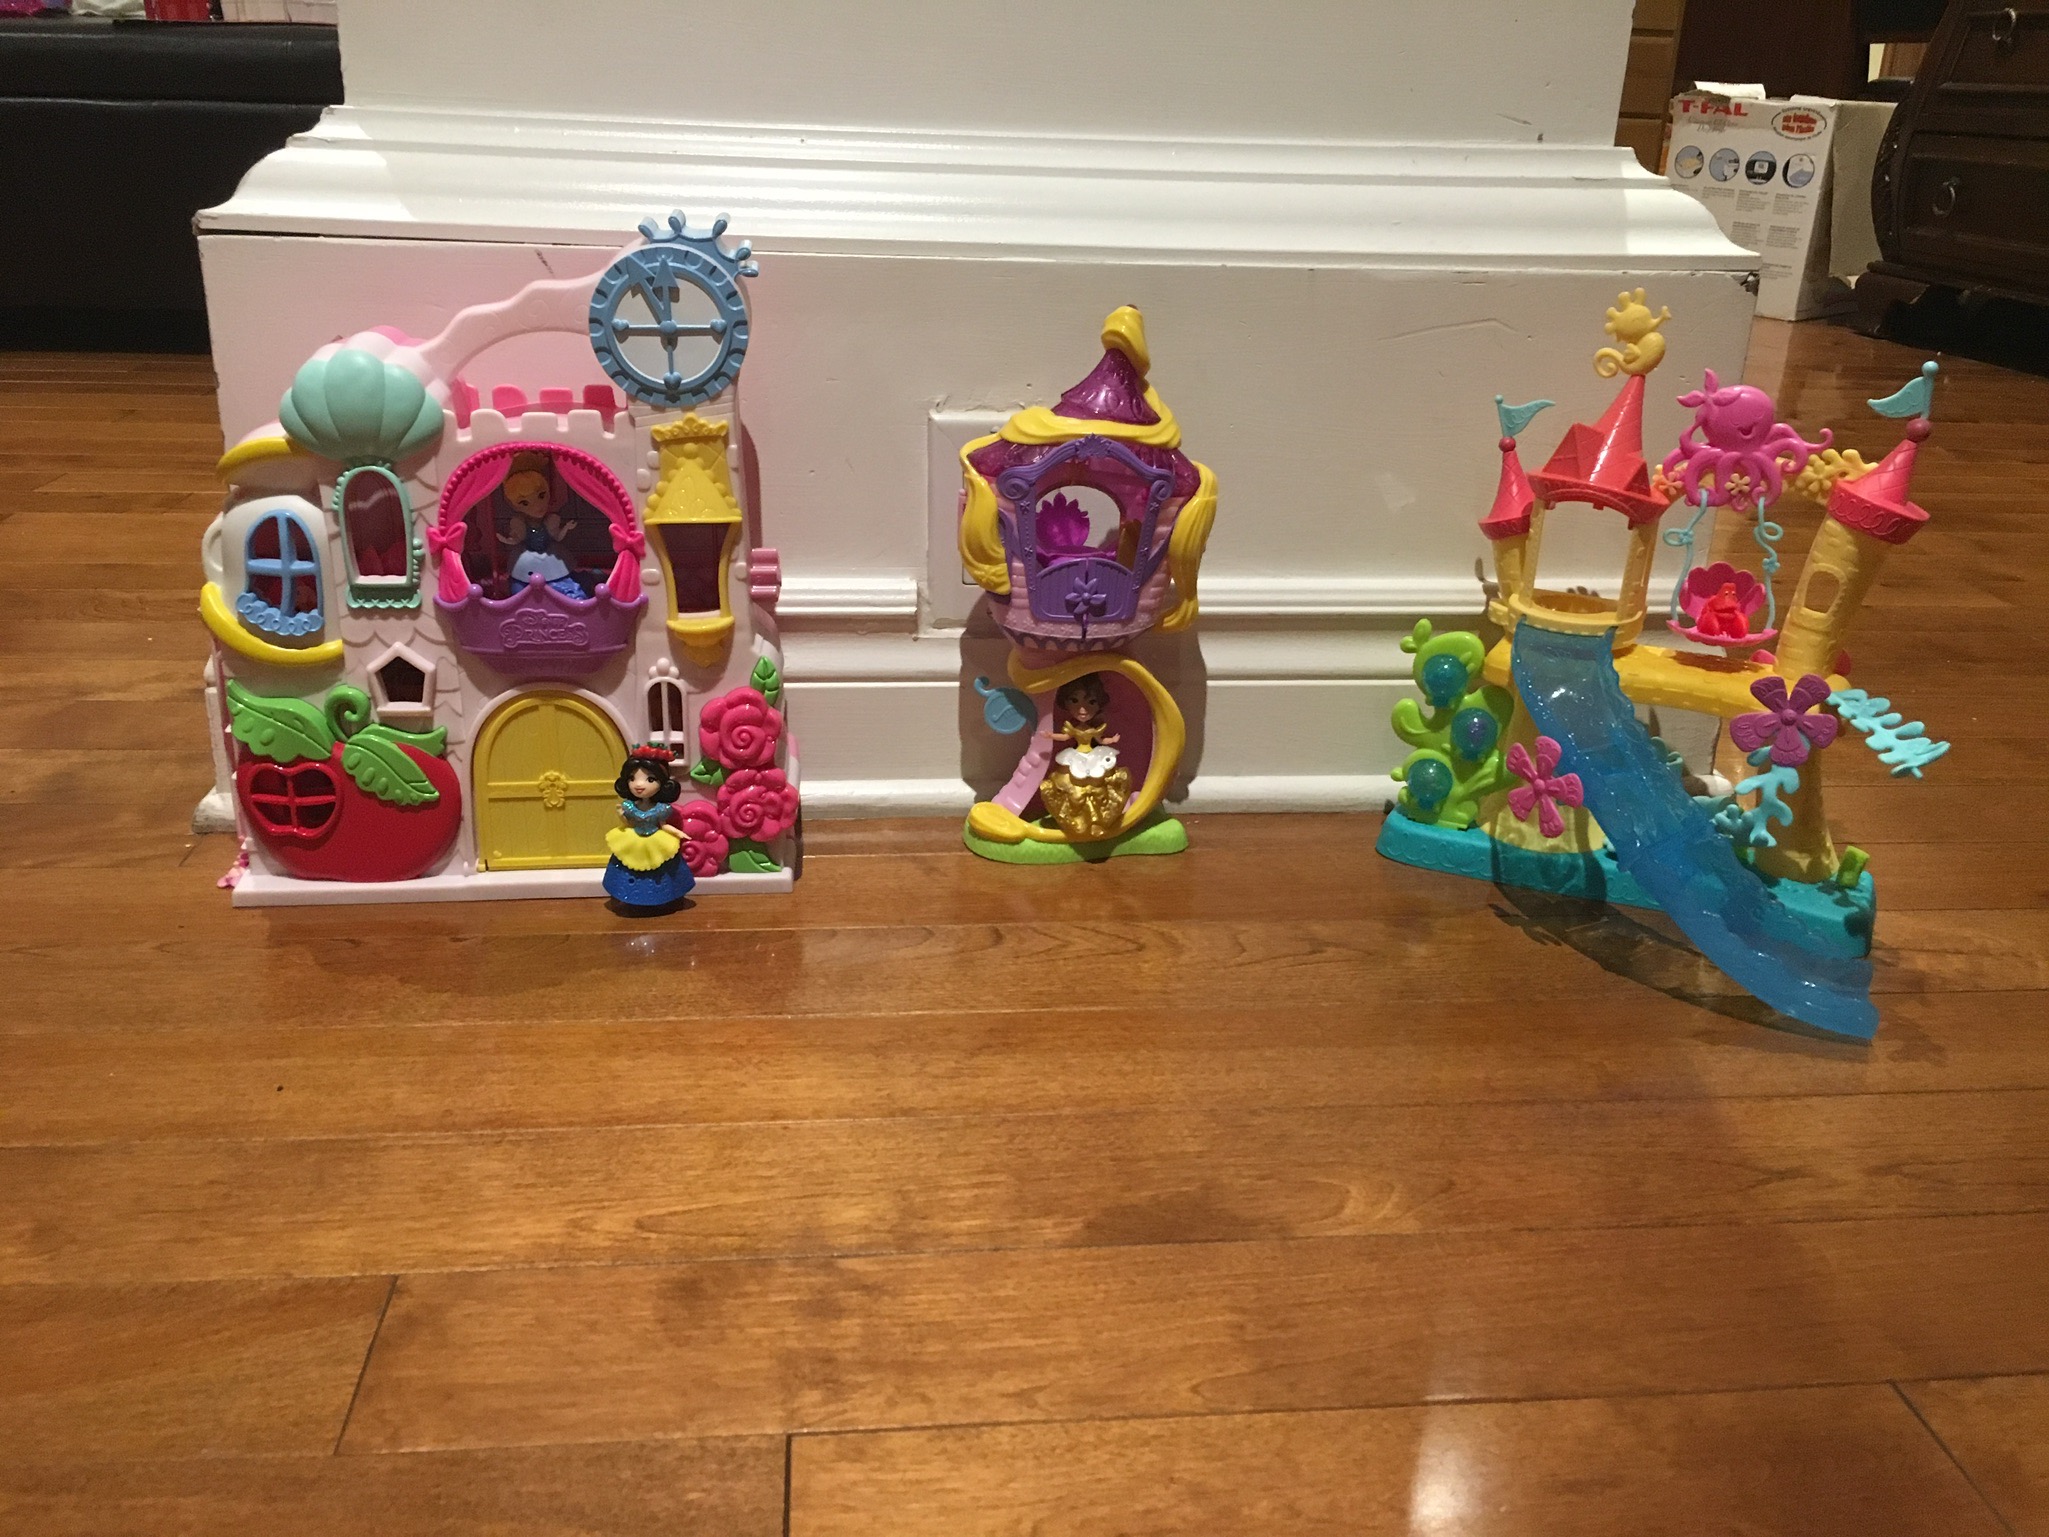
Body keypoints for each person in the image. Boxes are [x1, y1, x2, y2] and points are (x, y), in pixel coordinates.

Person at [1038, 672, 1131, 839]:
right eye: (1074, 701)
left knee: (1097, 782)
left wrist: (1112, 740)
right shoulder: (1073, 728)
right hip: (1077, 756)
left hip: (1094, 755)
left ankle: (1097, 817)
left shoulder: (1094, 728)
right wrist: (1050, 735)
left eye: (1091, 702)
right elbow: (1065, 737)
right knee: (1074, 782)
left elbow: (1101, 739)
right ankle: (1079, 817)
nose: (1082, 709)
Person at [602, 746, 695, 911]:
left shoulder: (661, 809)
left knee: (663, 870)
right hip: (633, 839)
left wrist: (679, 833)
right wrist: (622, 816)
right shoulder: (629, 806)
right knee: (628, 866)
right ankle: (629, 897)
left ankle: (664, 897)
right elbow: (628, 824)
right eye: (632, 778)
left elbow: (664, 825)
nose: (639, 784)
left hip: (656, 840)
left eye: (650, 780)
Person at [495, 451, 585, 597]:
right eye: (524, 503)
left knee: (559, 578)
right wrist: (508, 540)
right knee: (522, 584)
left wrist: (566, 528)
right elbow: (517, 539)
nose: (538, 506)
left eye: (541, 496)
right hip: (527, 559)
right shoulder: (520, 523)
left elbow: (557, 537)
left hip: (551, 555)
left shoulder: (551, 520)